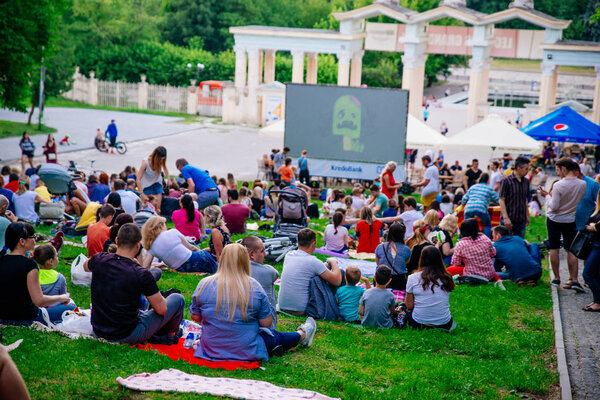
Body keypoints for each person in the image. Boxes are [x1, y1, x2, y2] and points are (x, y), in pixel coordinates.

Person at [190, 243, 316, 361]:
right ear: (245, 262)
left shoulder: (204, 284)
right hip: (247, 350)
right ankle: (302, 334)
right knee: (272, 336)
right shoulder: (254, 286)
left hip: (211, 349)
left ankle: (302, 334)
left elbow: (195, 316)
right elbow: (266, 323)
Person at [84, 223, 185, 343]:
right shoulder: (140, 273)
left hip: (98, 330)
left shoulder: (100, 259)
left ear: (116, 240)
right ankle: (169, 333)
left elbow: (86, 266)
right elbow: (162, 309)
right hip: (126, 334)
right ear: (138, 245)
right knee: (177, 299)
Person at [0, 222, 70, 326]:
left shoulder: (2, 260)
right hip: (25, 317)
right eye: (32, 237)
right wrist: (62, 297)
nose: (35, 239)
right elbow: (39, 301)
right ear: (22, 241)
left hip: (2, 316)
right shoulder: (29, 265)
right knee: (71, 307)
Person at [540, 158, 587, 290]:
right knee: (571, 249)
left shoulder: (558, 185)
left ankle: (556, 278)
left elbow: (554, 206)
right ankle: (575, 279)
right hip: (570, 219)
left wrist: (547, 196)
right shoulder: (582, 184)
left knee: (554, 248)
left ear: (564, 169)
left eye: (558, 170)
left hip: (555, 219)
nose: (558, 173)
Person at [278, 228, 342, 316]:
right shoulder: (313, 261)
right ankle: (340, 308)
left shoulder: (289, 255)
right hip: (301, 309)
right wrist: (333, 262)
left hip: (283, 306)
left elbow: (305, 267)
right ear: (313, 244)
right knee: (339, 272)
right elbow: (337, 281)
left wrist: (323, 266)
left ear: (298, 241)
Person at [405, 246, 456, 332]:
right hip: (444, 323)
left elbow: (409, 305)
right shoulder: (447, 277)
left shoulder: (413, 278)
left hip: (419, 322)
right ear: (439, 259)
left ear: (421, 259)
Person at [142, 216, 217, 273]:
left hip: (181, 268)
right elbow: (191, 247)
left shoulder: (151, 248)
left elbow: (145, 267)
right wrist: (200, 251)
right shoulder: (172, 232)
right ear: (160, 226)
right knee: (208, 258)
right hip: (193, 259)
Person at [34, 244, 76, 323]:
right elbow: (64, 299)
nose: (57, 258)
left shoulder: (32, 275)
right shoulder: (60, 278)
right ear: (51, 261)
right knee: (71, 306)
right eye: (56, 256)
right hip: (51, 311)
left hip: (35, 310)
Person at [241, 236, 279, 313]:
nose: (265, 254)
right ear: (252, 255)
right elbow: (276, 274)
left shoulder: (234, 270)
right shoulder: (269, 271)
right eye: (262, 251)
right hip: (266, 320)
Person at [499, 156, 531, 238]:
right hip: (509, 218)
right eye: (526, 169)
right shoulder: (506, 181)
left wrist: (527, 215)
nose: (528, 171)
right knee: (506, 243)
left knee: (519, 243)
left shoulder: (526, 182)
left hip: (521, 219)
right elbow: (501, 200)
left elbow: (525, 200)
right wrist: (505, 218)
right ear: (518, 168)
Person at [375, 222, 411, 290]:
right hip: (399, 282)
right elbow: (405, 264)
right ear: (402, 234)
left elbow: (378, 264)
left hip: (382, 280)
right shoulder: (406, 250)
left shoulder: (380, 247)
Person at [461, 173, 499, 238]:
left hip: (469, 208)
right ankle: (485, 239)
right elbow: (498, 200)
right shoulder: (489, 189)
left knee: (466, 225)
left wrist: (463, 203)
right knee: (487, 224)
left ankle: (465, 239)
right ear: (488, 180)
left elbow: (464, 199)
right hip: (481, 208)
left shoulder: (473, 187)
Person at [582, 191, 600, 311]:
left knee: (587, 274)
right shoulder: (597, 208)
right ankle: (596, 300)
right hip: (594, 244)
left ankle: (598, 301)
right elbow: (588, 222)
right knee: (596, 275)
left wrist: (595, 227)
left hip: (599, 246)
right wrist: (592, 226)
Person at [137, 146, 168, 213]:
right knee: (147, 208)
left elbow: (165, 167)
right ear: (156, 157)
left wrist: (169, 179)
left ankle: (158, 222)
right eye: (160, 159)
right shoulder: (145, 162)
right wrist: (142, 193)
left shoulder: (161, 160)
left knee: (157, 209)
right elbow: (138, 178)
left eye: (163, 159)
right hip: (146, 185)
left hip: (157, 183)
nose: (161, 161)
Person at [575, 167, 600, 234]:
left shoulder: (592, 184)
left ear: (577, 173)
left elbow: (598, 203)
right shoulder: (566, 184)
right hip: (568, 224)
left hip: (585, 226)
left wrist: (596, 225)